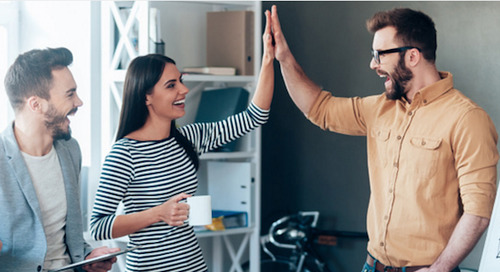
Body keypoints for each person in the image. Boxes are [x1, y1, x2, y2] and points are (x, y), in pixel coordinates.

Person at [268, 5, 498, 272]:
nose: (373, 64)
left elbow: (478, 212)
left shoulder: (467, 119)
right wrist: (283, 57)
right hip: (371, 266)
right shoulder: (380, 108)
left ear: (412, 56)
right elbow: (319, 108)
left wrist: (439, 269)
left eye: (380, 55)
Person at [89, 10, 275, 272]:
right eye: (171, 85)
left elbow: (254, 117)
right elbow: (98, 226)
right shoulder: (124, 154)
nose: (184, 90)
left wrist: (268, 59)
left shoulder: (189, 138)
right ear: (146, 97)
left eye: (181, 81)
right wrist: (158, 213)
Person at [0, 47, 120, 272]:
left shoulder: (70, 150)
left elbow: (67, 239)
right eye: (70, 94)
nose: (79, 102)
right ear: (36, 104)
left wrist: (87, 257)